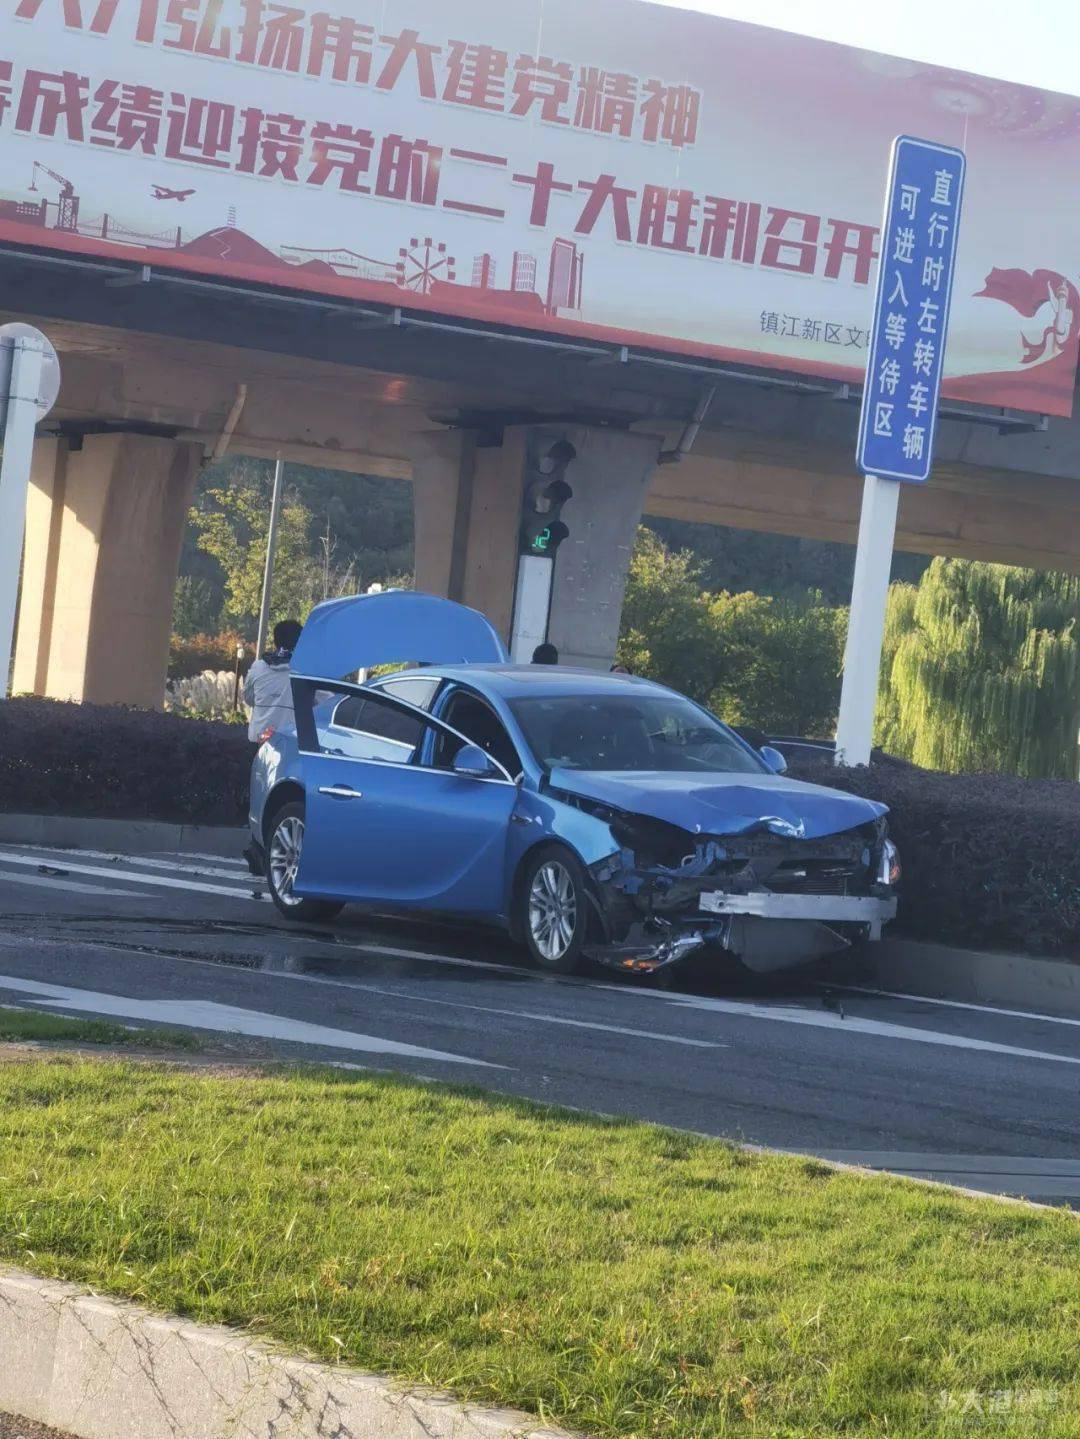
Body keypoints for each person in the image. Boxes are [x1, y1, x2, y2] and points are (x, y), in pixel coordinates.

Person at [243, 619, 303, 742]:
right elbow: (324, 705)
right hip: (289, 745)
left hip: (258, 742)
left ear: (275, 641)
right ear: (300, 642)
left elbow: (248, 698)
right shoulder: (305, 673)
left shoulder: (258, 667)